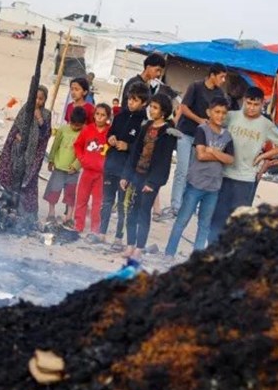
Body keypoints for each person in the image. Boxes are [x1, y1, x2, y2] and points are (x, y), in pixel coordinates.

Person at [207, 86, 278, 243]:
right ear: (244, 101)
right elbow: (213, 125)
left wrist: (264, 156)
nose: (251, 108)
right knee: (218, 215)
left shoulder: (265, 124)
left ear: (262, 104)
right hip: (224, 174)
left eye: (255, 104)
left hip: (246, 178)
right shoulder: (231, 116)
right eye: (249, 103)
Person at [165, 97, 234, 257]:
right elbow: (201, 155)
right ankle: (169, 252)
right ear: (209, 112)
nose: (220, 116)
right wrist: (220, 155)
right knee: (182, 220)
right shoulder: (202, 129)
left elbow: (231, 160)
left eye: (224, 113)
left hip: (213, 188)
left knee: (204, 225)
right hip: (195, 185)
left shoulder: (228, 136)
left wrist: (213, 151)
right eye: (217, 112)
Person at [167, 63, 228, 219]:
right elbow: (184, 107)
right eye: (221, 76)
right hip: (185, 133)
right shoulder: (196, 87)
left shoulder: (220, 94)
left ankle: (188, 205)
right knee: (181, 170)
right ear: (212, 75)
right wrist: (199, 120)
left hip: (202, 138)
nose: (223, 80)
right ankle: (175, 205)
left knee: (194, 172)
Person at [120, 93, 177, 259]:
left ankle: (139, 247)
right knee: (131, 210)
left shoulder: (168, 132)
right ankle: (130, 245)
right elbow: (135, 152)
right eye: (151, 106)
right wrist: (126, 175)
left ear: (164, 111)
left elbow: (163, 161)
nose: (151, 110)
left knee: (144, 212)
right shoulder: (146, 126)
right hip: (137, 173)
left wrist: (152, 182)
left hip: (151, 179)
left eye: (155, 107)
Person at [99, 83, 149, 248]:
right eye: (129, 99)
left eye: (135, 100)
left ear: (144, 103)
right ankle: (102, 233)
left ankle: (119, 237)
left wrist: (128, 146)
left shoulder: (143, 123)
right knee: (106, 200)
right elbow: (110, 132)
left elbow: (141, 147)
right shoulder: (119, 115)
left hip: (126, 170)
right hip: (111, 164)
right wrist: (111, 138)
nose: (130, 103)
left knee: (122, 204)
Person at [0, 85, 52, 220]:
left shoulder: (46, 114)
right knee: (12, 176)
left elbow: (45, 134)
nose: (37, 101)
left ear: (44, 100)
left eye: (40, 99)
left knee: (28, 181)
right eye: (35, 98)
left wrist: (39, 119)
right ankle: (7, 205)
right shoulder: (25, 109)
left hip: (32, 154)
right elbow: (16, 128)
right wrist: (18, 138)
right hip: (18, 150)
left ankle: (26, 213)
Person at [73, 104, 111, 235]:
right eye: (97, 114)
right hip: (87, 171)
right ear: (94, 115)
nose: (99, 118)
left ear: (108, 117)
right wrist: (82, 158)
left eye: (103, 115)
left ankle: (95, 228)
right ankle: (78, 225)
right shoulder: (87, 130)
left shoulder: (110, 132)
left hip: (101, 174)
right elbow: (77, 145)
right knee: (81, 199)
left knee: (97, 203)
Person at [44, 106, 85, 225]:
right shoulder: (63, 129)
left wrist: (76, 166)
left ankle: (69, 217)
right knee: (53, 191)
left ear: (83, 124)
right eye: (73, 124)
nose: (75, 127)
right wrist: (51, 160)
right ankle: (51, 213)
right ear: (70, 121)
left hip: (73, 171)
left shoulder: (84, 132)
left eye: (78, 125)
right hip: (59, 167)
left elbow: (84, 152)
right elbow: (55, 145)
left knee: (71, 194)